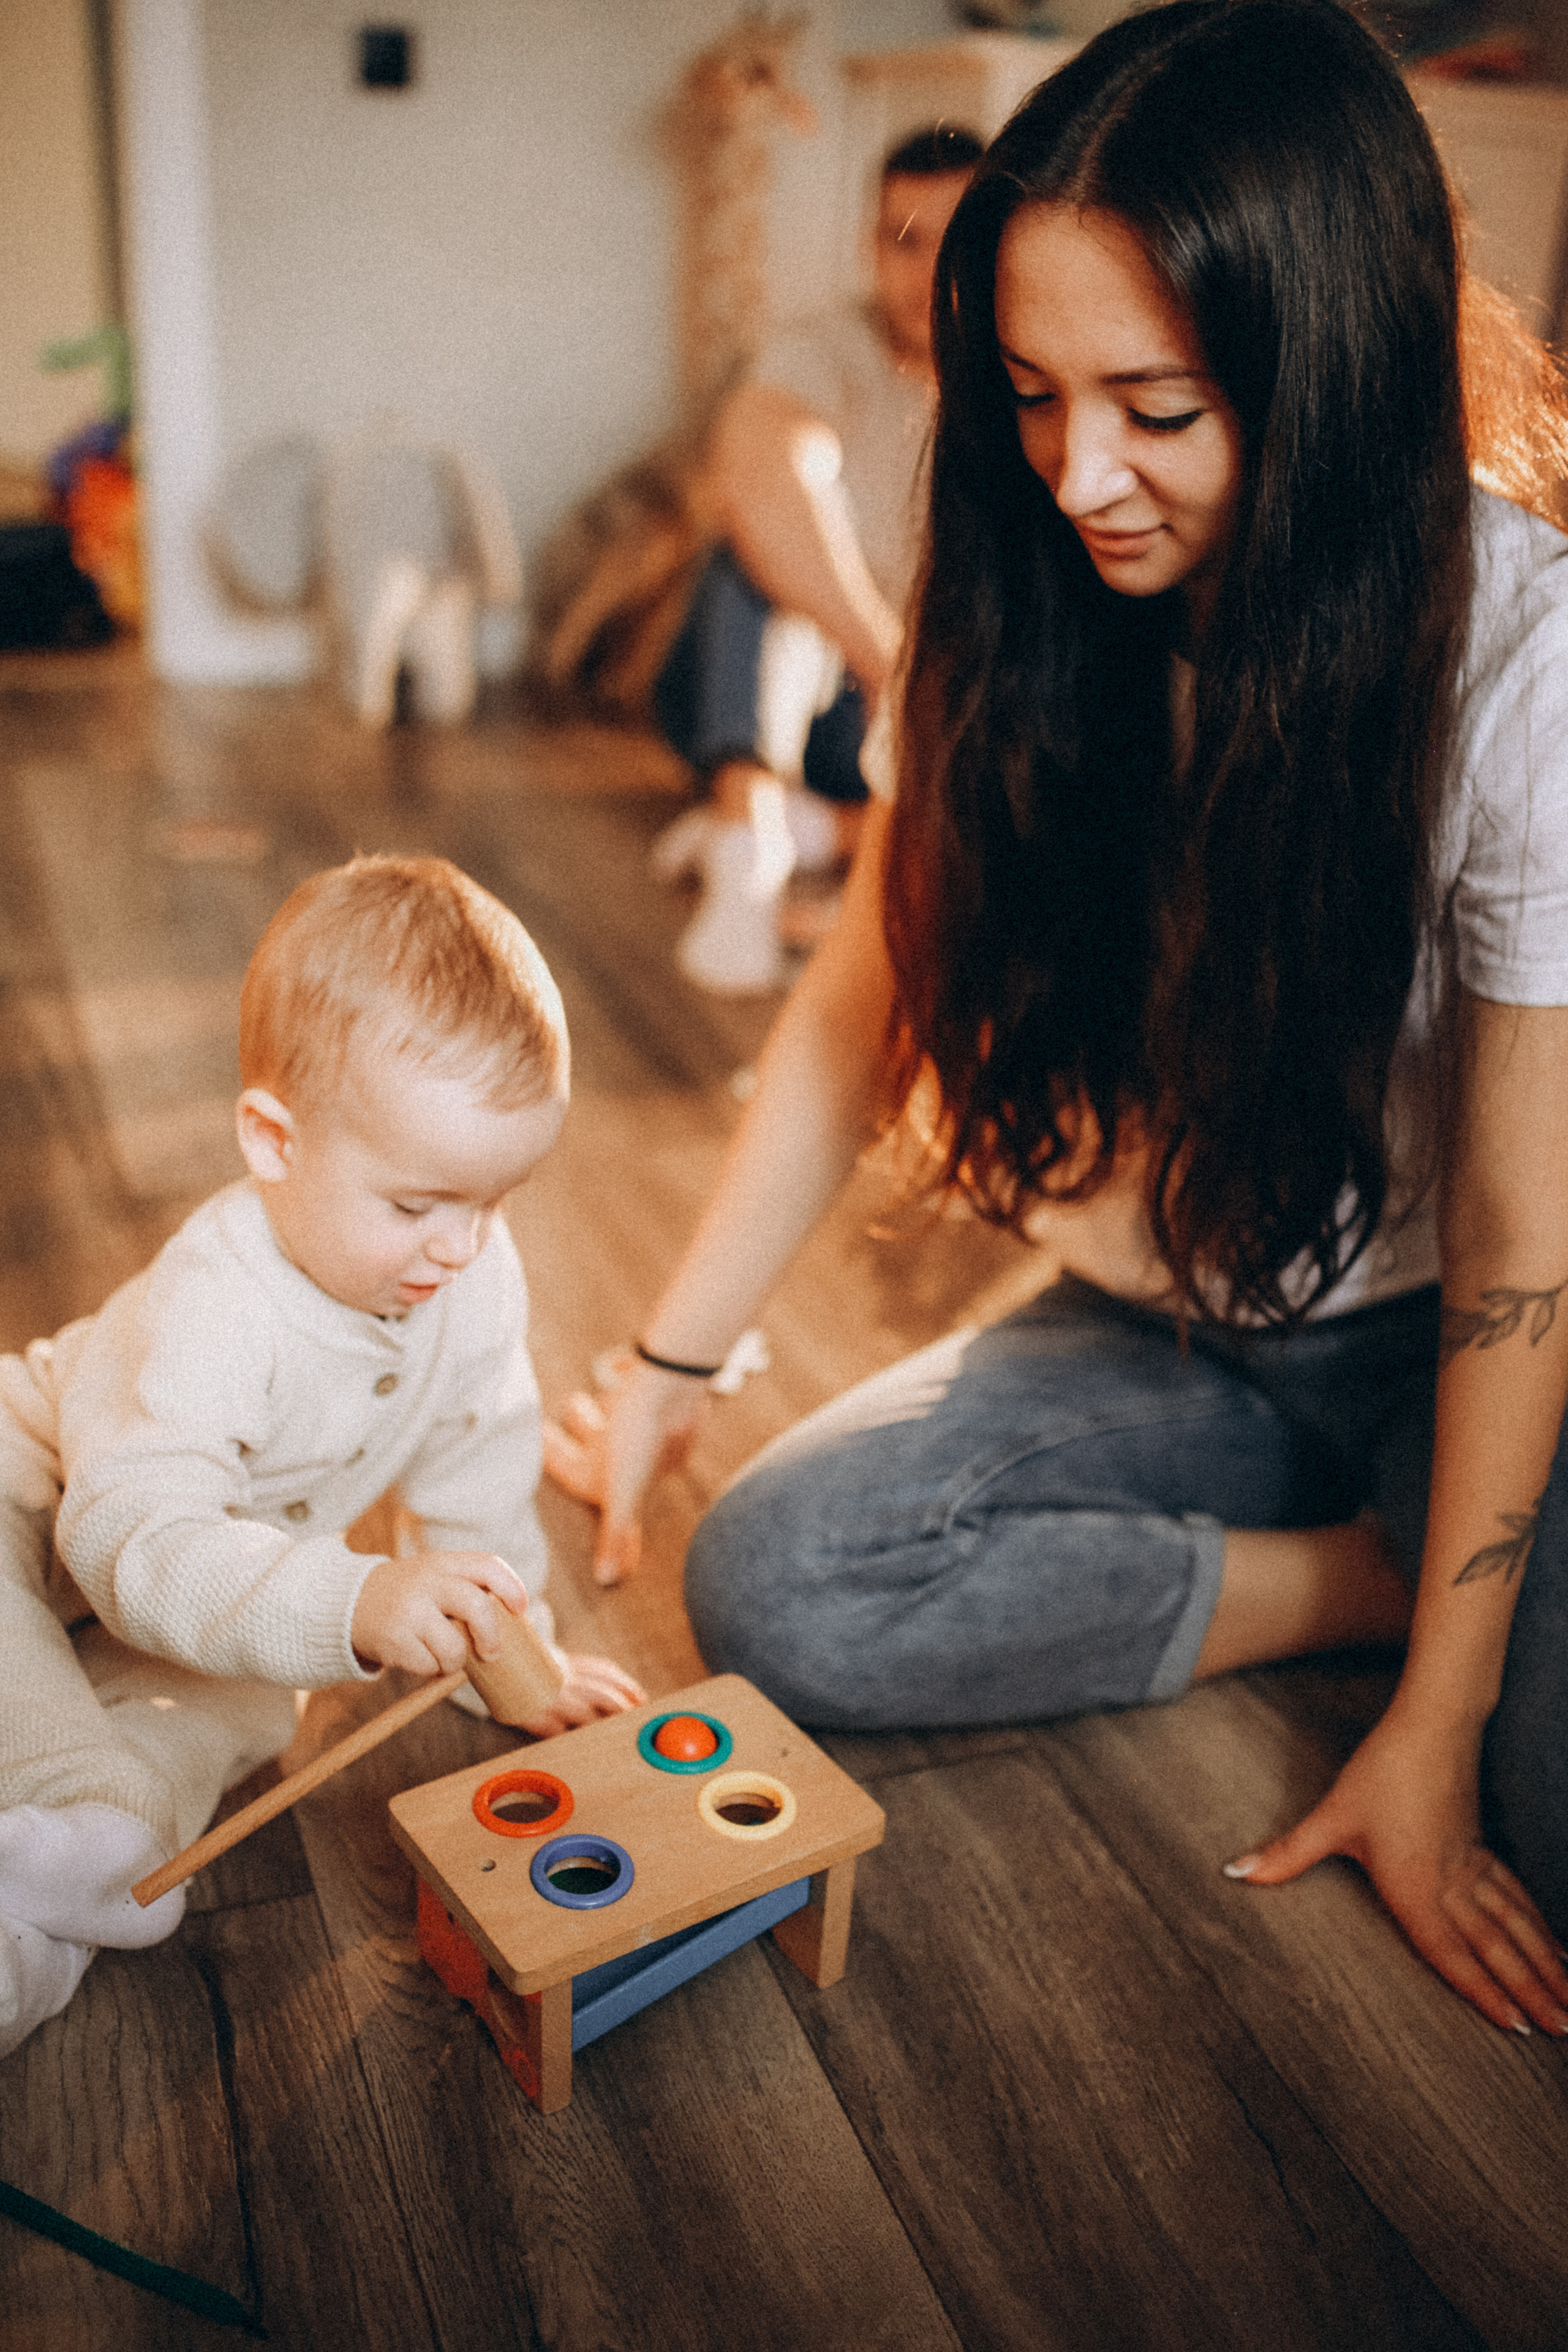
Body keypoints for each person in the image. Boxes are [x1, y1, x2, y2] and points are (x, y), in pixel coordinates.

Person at [545, 0, 1568, 2038]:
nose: (1078, 472)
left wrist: (1441, 1741)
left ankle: (1437, 1598)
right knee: (780, 1586)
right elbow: (868, 992)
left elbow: (1534, 1246)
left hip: (1465, 1324)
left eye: (1156, 408)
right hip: (1174, 1311)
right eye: (1027, 392)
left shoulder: (1521, 659)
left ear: (1334, 371)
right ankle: (1364, 1579)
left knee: (1544, 1811)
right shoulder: (1026, 567)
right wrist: (674, 1349)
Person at [0, 855, 641, 2058]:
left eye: (491, 1203)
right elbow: (126, 1539)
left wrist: (511, 1649)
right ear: (272, 1141)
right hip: (46, 1499)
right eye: (415, 1205)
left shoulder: (466, 1276)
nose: (459, 1247)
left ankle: (57, 1908)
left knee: (248, 1708)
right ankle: (69, 1815)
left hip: (208, 1582)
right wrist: (354, 1596)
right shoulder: (215, 1300)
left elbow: (482, 1463)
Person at [652, 124, 982, 993]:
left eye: (952, 241)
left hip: (916, 724)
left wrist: (920, 684)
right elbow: (760, 478)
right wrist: (887, 656)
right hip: (810, 687)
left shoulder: (1014, 382)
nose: (924, 270)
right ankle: (752, 841)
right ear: (871, 245)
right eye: (901, 240)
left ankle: (798, 833)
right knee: (746, 561)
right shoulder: (823, 350)